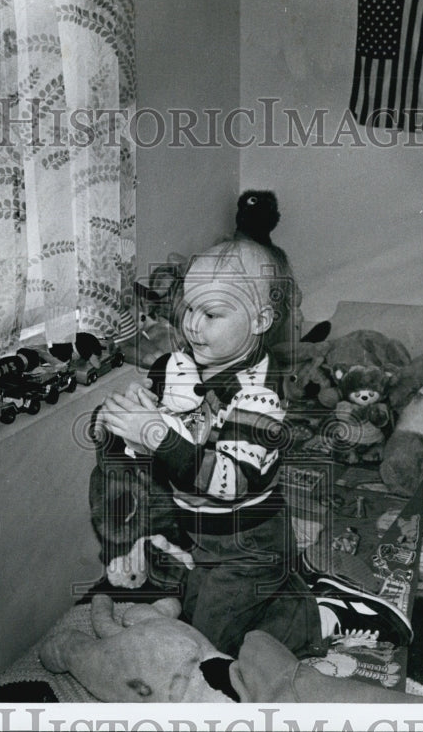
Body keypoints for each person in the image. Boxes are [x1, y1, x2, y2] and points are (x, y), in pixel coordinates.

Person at [96, 236, 394, 658]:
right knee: (197, 612)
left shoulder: (259, 396)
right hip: (203, 533)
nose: (193, 326)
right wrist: (127, 422)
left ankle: (324, 616)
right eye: (189, 309)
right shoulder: (193, 365)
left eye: (212, 313)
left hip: (246, 544)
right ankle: (291, 592)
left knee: (211, 649)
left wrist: (155, 436)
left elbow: (230, 481)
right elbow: (170, 434)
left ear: (259, 320)